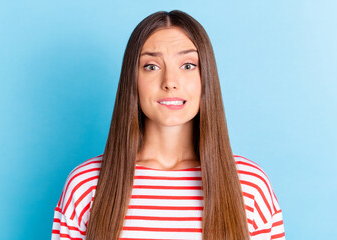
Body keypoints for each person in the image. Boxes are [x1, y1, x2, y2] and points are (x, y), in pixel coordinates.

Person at [51, 10, 285, 240]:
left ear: (206, 78)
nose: (170, 82)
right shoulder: (86, 185)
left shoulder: (250, 186)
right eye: (152, 66)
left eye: (188, 65)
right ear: (132, 80)